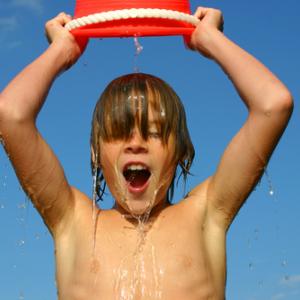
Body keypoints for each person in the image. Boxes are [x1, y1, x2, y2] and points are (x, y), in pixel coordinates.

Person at [0, 7, 293, 300]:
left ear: (180, 150)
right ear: (95, 153)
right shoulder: (72, 221)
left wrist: (211, 39)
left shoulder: (206, 213)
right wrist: (61, 50)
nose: (135, 143)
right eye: (118, 133)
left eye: (153, 133)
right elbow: (10, 115)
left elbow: (273, 105)